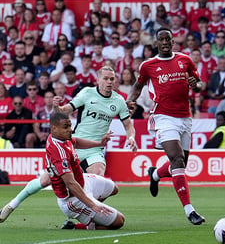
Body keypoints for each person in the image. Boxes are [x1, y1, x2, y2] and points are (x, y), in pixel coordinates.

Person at [0, 67, 138, 224]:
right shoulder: (87, 93)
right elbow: (65, 110)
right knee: (45, 180)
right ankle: (11, 205)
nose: (109, 82)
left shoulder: (118, 101)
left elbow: (128, 125)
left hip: (95, 148)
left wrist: (131, 137)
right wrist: (57, 107)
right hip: (74, 144)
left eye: (112, 79)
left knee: (99, 178)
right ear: (98, 80)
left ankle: (87, 216)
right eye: (105, 78)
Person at [126, 28, 205, 225]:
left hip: (185, 118)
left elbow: (199, 85)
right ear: (156, 43)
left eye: (168, 39)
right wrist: (129, 101)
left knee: (181, 164)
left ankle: (155, 174)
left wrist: (196, 85)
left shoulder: (185, 60)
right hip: (163, 117)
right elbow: (138, 85)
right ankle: (189, 210)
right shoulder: (148, 65)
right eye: (161, 40)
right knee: (177, 159)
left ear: (172, 42)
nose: (165, 43)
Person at [45, 112, 125, 230]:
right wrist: (92, 205)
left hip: (83, 181)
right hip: (72, 198)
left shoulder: (60, 137)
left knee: (113, 188)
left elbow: (76, 141)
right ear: (54, 128)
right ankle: (82, 225)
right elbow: (71, 184)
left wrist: (99, 143)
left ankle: (92, 213)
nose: (70, 130)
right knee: (119, 221)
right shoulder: (58, 152)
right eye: (66, 127)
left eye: (70, 125)